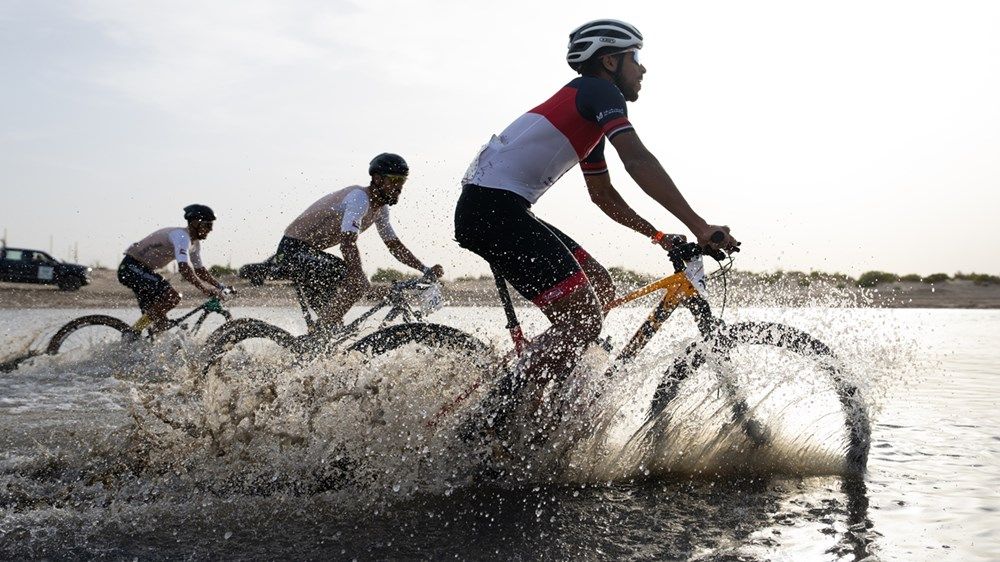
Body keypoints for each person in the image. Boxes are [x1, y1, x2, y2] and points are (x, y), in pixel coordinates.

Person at [454, 19, 740, 421]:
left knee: (600, 289)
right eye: (635, 58)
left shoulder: (586, 113)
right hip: (493, 209)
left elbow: (602, 195)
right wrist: (699, 226)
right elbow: (637, 158)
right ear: (609, 61)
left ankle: (548, 410)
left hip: (496, 209)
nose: (642, 69)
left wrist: (658, 235)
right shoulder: (598, 91)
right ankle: (492, 421)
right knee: (585, 317)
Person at [273, 153, 444, 332]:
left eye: (402, 181)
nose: (399, 187)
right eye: (394, 181)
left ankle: (315, 342)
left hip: (311, 255)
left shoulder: (381, 209)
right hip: (291, 251)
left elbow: (394, 246)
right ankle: (319, 335)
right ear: (377, 179)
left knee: (334, 328)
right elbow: (347, 243)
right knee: (354, 283)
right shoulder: (359, 198)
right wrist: (357, 275)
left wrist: (425, 269)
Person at [118, 204, 227, 333]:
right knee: (172, 296)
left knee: (159, 324)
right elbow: (184, 268)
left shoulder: (195, 244)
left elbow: (200, 271)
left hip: (144, 271)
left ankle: (143, 340)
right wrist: (204, 289)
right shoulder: (181, 236)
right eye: (208, 225)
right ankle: (134, 331)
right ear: (195, 223)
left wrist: (220, 286)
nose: (211, 230)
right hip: (130, 267)